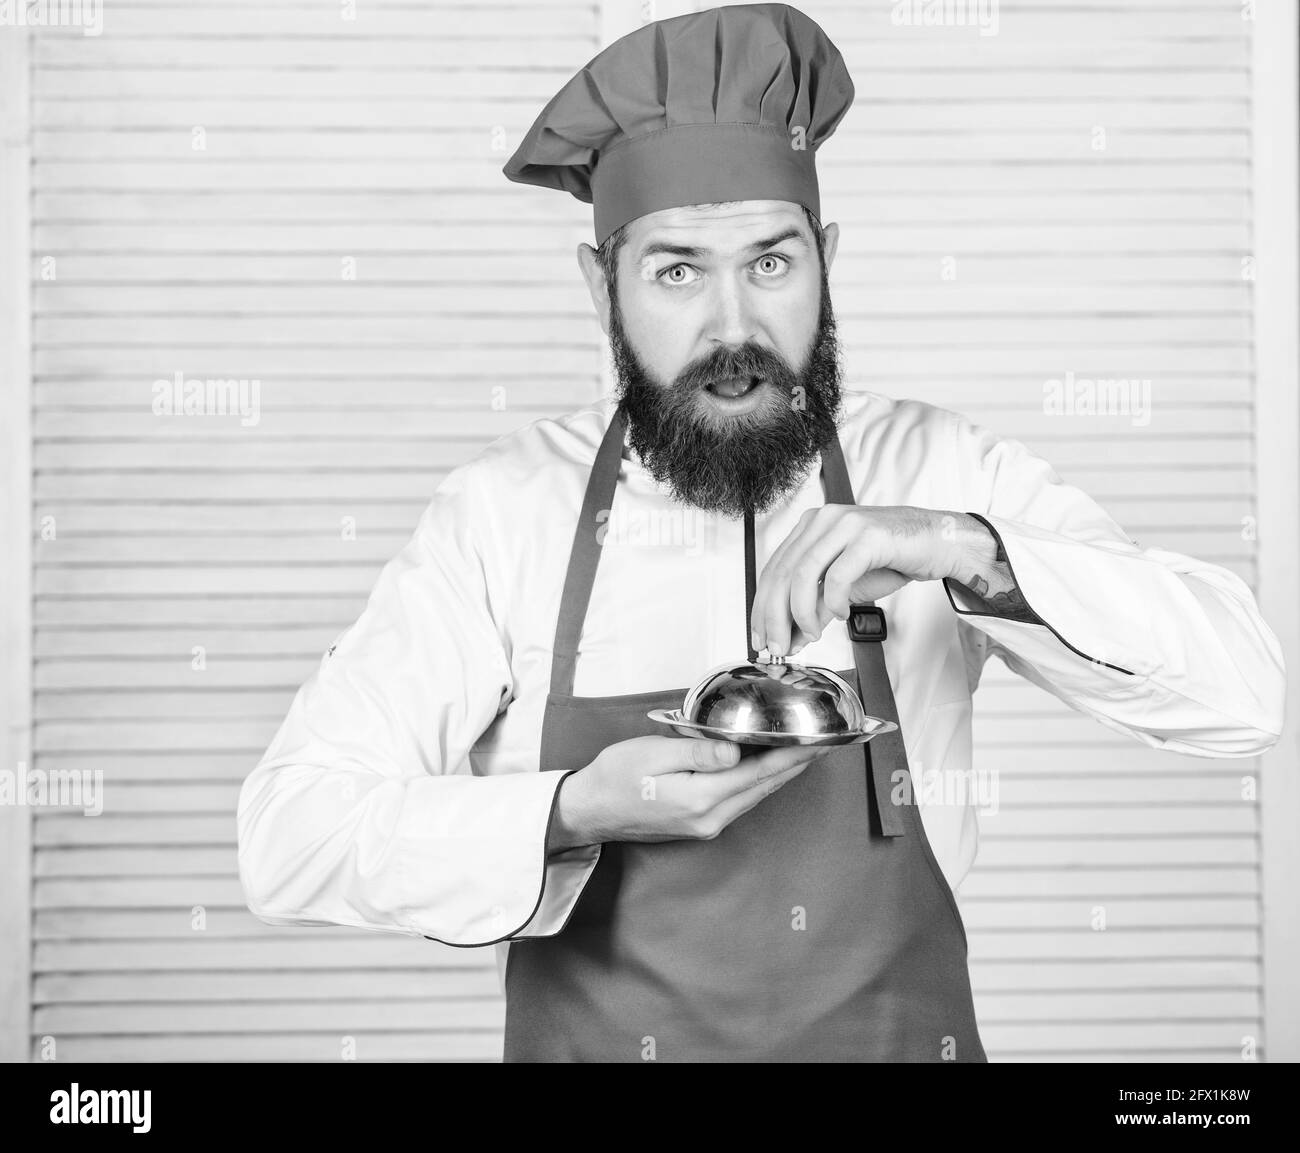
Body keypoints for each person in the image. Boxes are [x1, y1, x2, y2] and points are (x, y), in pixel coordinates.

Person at [236, 3, 1285, 1062]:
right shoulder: (504, 514)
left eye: (771, 264)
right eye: (677, 271)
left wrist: (966, 549)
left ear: (826, 258)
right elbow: (290, 836)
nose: (731, 328)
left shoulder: (938, 469)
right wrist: (564, 810)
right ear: (601, 284)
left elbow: (1242, 696)